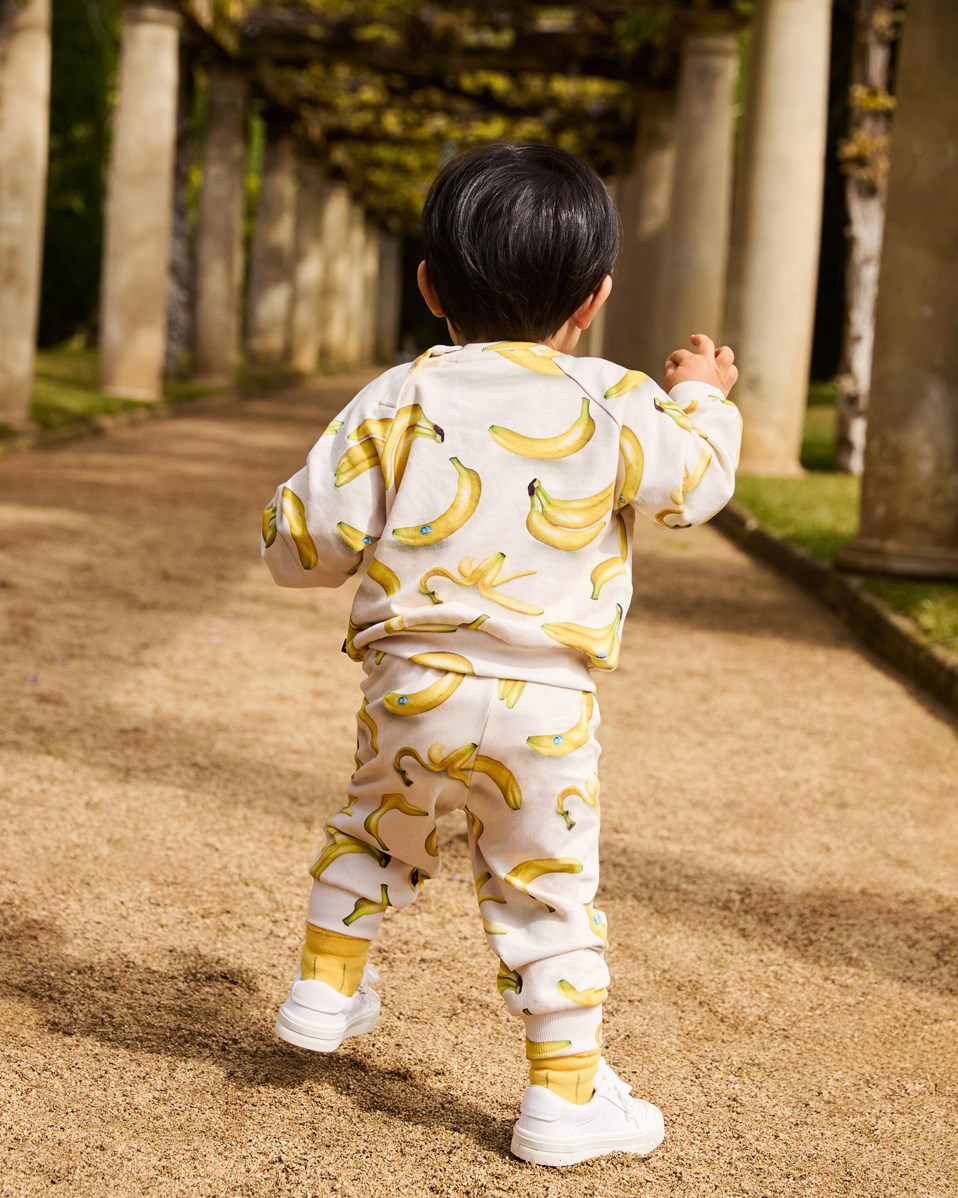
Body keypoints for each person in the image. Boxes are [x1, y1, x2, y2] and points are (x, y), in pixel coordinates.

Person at [261, 143, 741, 1168]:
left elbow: (303, 546)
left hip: (412, 683)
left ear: (430, 285)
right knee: (544, 887)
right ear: (595, 298)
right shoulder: (614, 400)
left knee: (373, 829)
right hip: (545, 701)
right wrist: (699, 396)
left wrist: (290, 522)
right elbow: (694, 486)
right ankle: (562, 1098)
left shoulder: (398, 396)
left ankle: (324, 986)